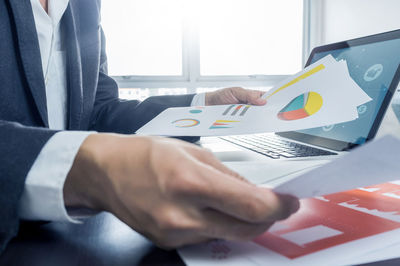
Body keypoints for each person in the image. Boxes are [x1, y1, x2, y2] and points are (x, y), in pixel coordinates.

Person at [0, 0, 300, 253]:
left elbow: (100, 112)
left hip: (65, 239)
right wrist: (86, 169)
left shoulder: (84, 5)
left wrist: (205, 107)